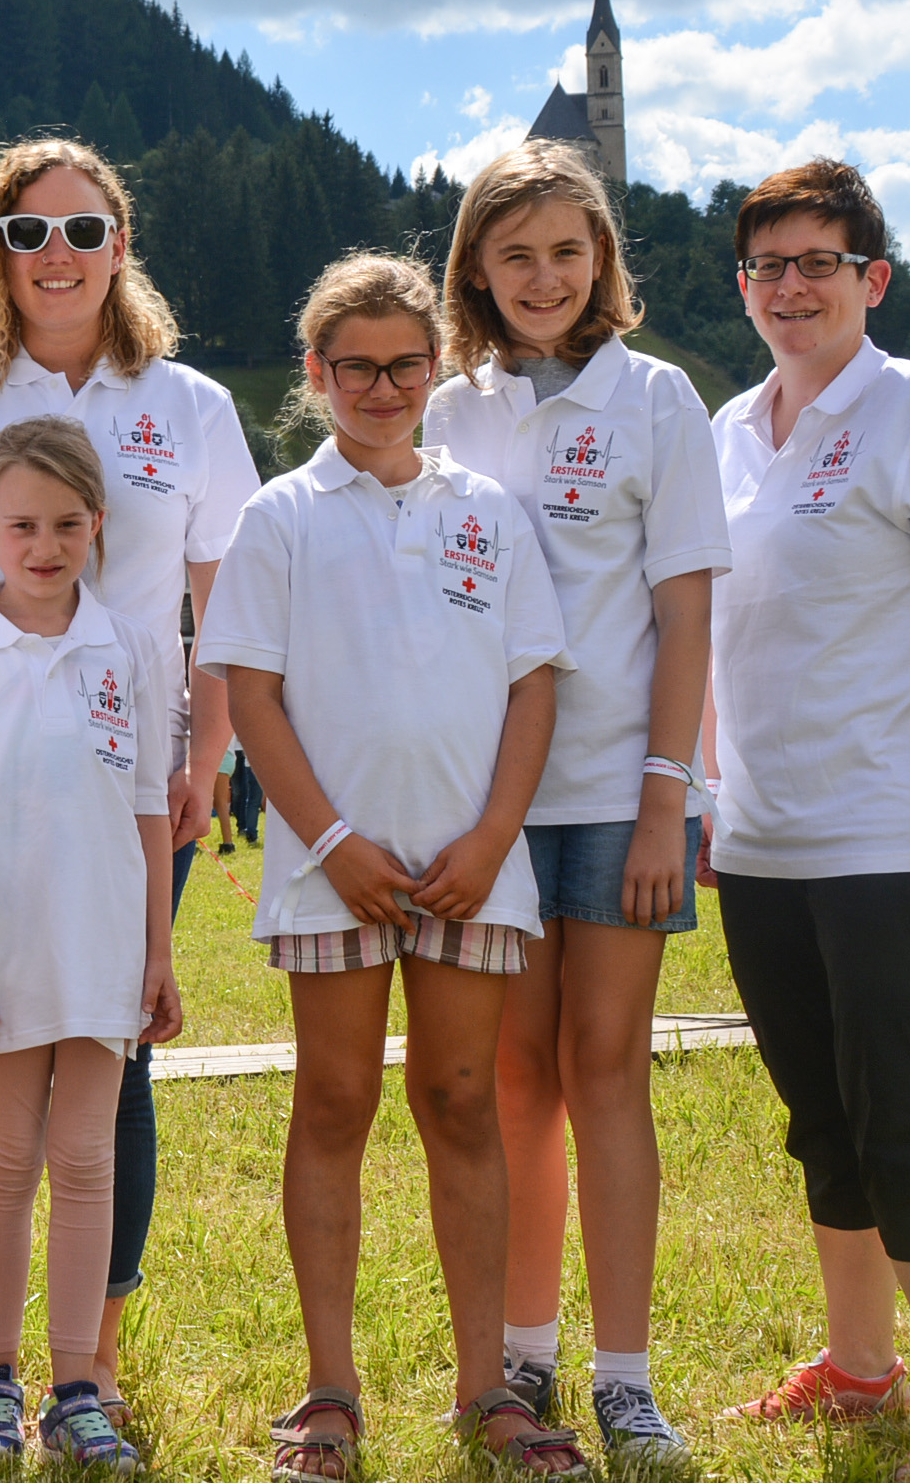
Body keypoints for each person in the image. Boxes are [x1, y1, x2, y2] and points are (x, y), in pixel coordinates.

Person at [0, 139, 258, 1426]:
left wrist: (205, 755)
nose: (57, 257)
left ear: (120, 244)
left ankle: (90, 1359)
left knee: (111, 1078)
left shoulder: (189, 405)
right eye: (27, 234)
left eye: (82, 232)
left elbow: (228, 602)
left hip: (129, 777)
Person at [195, 253, 585, 1481]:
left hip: (474, 863)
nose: (378, 384)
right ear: (315, 373)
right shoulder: (280, 516)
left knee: (464, 1102)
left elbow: (533, 685)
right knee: (334, 1103)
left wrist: (489, 838)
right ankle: (330, 1391)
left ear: (437, 369)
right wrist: (327, 843)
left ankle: (487, 1389)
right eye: (353, 364)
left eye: (403, 363)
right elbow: (249, 692)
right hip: (331, 867)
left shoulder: (487, 511)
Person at [706, 160, 910, 1483]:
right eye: (768, 269)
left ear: (872, 279)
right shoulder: (733, 429)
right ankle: (856, 1369)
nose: (792, 289)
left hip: (897, 835)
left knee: (906, 1112)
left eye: (818, 265)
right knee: (819, 1119)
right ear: (744, 287)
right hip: (764, 842)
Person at [423, 141, 728, 1453]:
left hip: (615, 789)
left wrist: (669, 797)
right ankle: (527, 1356)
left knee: (605, 1072)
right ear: (477, 273)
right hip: (487, 795)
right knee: (513, 1083)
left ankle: (627, 1375)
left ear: (602, 260)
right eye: (516, 254)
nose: (544, 276)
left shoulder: (657, 400)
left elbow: (685, 609)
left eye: (567, 249)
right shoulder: (451, 411)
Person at [0, 417, 181, 1469]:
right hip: (4, 944)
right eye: (22, 523)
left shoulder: (127, 646)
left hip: (105, 940)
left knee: (84, 1154)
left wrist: (157, 949)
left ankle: (77, 1385)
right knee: (6, 1150)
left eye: (67, 523)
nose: (44, 543)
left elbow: (149, 810)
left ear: (97, 527)